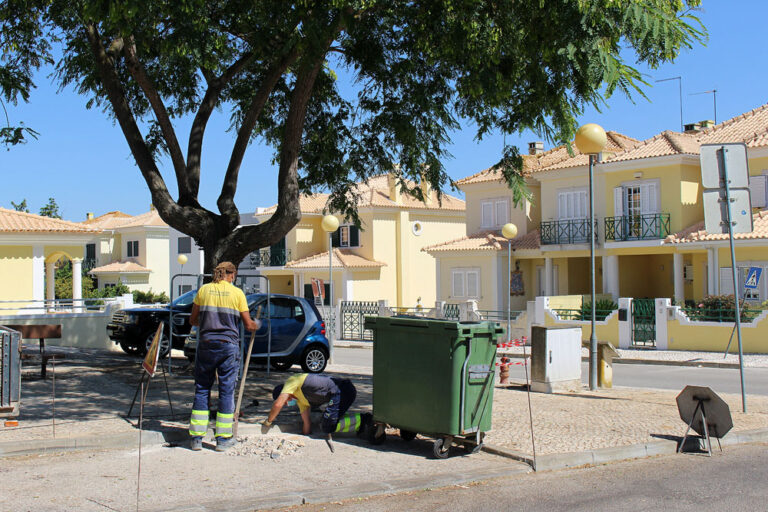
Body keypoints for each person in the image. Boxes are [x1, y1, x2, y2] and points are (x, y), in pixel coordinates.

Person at [187, 261, 259, 452]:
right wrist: (257, 324)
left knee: (202, 388)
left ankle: (196, 438)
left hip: (206, 345)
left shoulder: (204, 291)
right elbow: (248, 325)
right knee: (226, 391)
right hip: (228, 347)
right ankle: (223, 439)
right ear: (232, 275)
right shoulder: (237, 294)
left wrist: (206, 323)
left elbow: (192, 320)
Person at [262, 374, 371, 436]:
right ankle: (359, 423)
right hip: (340, 394)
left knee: (327, 426)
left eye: (286, 401)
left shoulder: (292, 381)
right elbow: (307, 424)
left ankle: (363, 420)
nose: (286, 404)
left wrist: (268, 422)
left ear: (286, 394)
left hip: (342, 390)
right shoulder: (301, 401)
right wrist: (303, 435)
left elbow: (277, 404)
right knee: (325, 421)